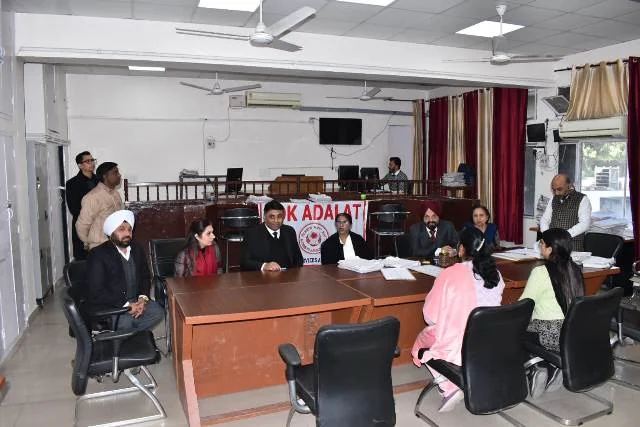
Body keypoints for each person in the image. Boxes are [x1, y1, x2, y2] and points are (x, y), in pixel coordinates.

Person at [411, 227, 505, 412]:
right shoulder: (495, 273)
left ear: (461, 249)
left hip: (460, 343)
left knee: (422, 340)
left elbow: (430, 316)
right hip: (491, 339)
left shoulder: (450, 273)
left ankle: (448, 386)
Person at [518, 228, 585, 397]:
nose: (539, 246)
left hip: (553, 334)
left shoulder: (541, 272)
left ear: (549, 249)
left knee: (512, 329)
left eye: (541, 243)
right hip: (575, 331)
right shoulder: (575, 269)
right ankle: (553, 365)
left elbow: (523, 306)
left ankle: (537, 367)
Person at [85, 210, 163, 332]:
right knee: (126, 322)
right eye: (121, 230)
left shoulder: (137, 249)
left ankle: (129, 335)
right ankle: (127, 336)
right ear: (112, 233)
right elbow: (96, 292)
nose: (127, 234)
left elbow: (145, 277)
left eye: (129, 230)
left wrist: (142, 300)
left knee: (158, 312)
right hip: (112, 306)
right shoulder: (98, 254)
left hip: (135, 301)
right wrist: (127, 306)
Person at [241, 200, 304, 271]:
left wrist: (293, 273)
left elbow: (298, 259)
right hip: (263, 275)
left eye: (279, 216)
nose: (276, 220)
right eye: (272, 217)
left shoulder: (289, 231)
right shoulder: (252, 233)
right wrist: (264, 266)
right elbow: (244, 262)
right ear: (264, 217)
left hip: (288, 274)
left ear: (283, 217)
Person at [76, 162, 123, 251]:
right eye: (115, 172)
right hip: (99, 246)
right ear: (105, 176)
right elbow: (82, 225)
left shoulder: (115, 194)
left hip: (115, 245)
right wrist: (88, 243)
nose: (119, 175)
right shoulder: (93, 197)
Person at [539, 174, 592, 251]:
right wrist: (546, 233)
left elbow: (585, 224)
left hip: (573, 247)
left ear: (569, 186)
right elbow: (545, 219)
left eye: (559, 189)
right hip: (553, 247)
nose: (556, 193)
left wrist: (564, 235)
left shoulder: (582, 199)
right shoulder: (553, 198)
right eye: (554, 189)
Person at [66, 151, 100, 260]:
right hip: (83, 225)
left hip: (100, 225)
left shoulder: (100, 180)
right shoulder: (72, 183)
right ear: (80, 165)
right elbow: (74, 208)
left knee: (101, 257)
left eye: (92, 160)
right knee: (84, 259)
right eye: (88, 161)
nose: (92, 163)